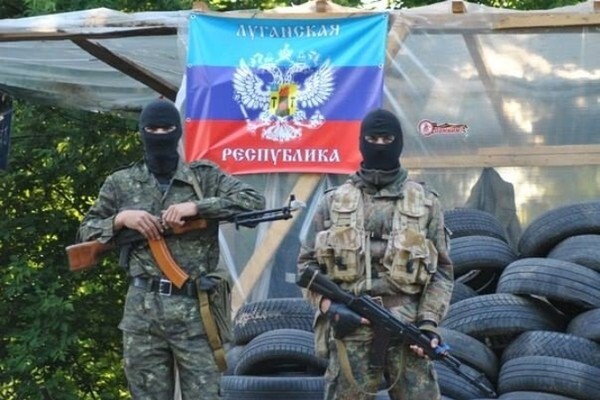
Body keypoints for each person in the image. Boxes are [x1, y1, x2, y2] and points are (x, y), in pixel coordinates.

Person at [77, 98, 266, 399]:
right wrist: (121, 219)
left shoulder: (203, 177)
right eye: (152, 129)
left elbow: (254, 203)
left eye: (166, 129)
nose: (159, 135)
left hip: (197, 311)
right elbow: (86, 232)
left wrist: (198, 207)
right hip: (143, 314)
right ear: (141, 132)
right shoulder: (121, 182)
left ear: (178, 132)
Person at [297, 108, 454, 400]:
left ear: (399, 142)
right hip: (351, 326)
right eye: (372, 138)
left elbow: (442, 273)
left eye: (387, 139)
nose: (380, 145)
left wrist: (428, 323)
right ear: (361, 142)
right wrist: (329, 307)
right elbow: (306, 267)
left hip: (408, 326)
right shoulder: (333, 202)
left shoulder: (426, 203)